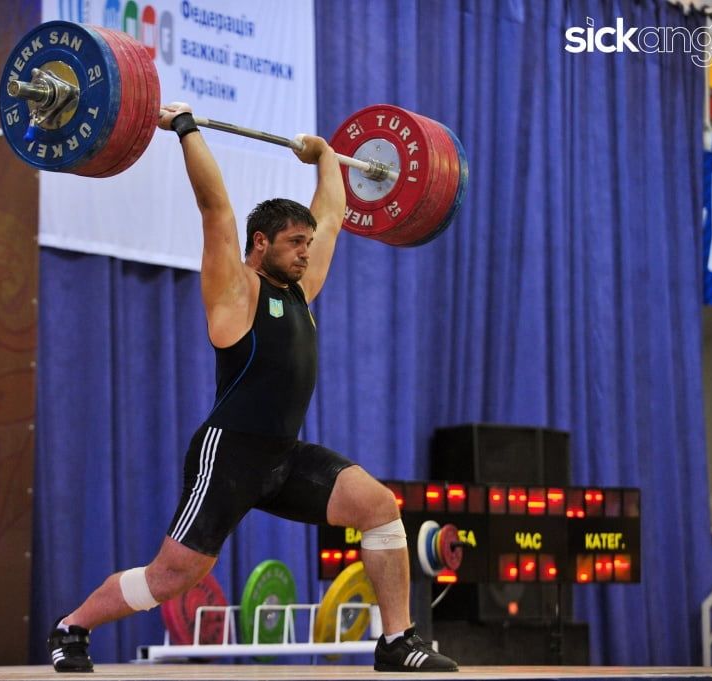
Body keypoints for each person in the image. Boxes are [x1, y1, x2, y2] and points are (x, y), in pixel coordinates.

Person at [46, 102, 459, 673]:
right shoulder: (235, 290)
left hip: (284, 457)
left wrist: (325, 161)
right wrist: (187, 130)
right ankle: (72, 627)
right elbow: (215, 209)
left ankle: (396, 642)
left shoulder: (299, 290)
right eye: (295, 243)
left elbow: (334, 215)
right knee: (172, 577)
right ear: (262, 243)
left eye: (307, 243)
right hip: (230, 453)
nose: (307, 252)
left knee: (379, 506)